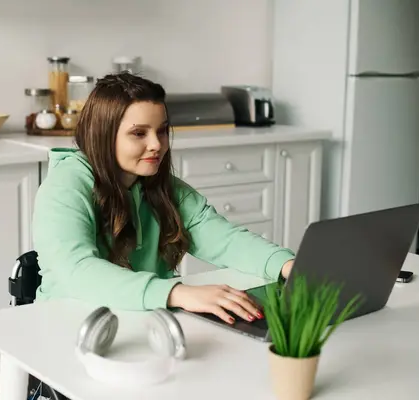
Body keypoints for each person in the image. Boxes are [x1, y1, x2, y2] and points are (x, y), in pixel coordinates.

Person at [32, 73, 295, 324]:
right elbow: (78, 271)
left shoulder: (163, 188)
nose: (157, 144)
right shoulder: (65, 187)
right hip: (67, 325)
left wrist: (288, 264)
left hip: (140, 321)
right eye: (139, 133)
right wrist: (177, 293)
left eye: (162, 131)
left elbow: (224, 239)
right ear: (102, 135)